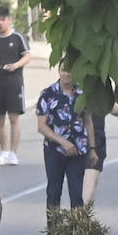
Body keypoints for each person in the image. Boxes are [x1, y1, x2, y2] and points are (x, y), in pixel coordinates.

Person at [36, 65, 92, 209]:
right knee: (54, 192)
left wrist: (93, 148)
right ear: (59, 71)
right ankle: (54, 230)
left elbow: (88, 122)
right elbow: (42, 126)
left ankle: (77, 229)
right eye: (64, 70)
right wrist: (63, 142)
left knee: (76, 195)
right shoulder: (48, 94)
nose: (67, 74)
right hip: (55, 151)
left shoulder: (82, 93)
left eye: (70, 70)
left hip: (78, 151)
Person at [0, 4, 32, 167]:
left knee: (14, 117)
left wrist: (16, 65)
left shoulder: (18, 37)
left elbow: (27, 55)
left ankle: (13, 152)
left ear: (9, 20)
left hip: (14, 82)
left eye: (2, 20)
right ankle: (4, 151)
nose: (0, 23)